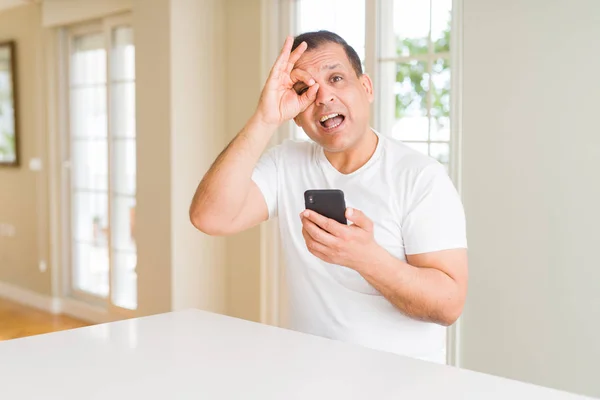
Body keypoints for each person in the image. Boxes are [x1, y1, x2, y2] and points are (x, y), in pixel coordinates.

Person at [189, 30, 468, 364]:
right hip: (310, 378)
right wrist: (264, 118)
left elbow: (448, 305)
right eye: (305, 89)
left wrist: (364, 257)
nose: (323, 97)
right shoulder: (286, 163)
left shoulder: (421, 177)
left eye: (336, 78)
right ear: (295, 111)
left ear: (366, 88)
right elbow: (209, 216)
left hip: (404, 385)